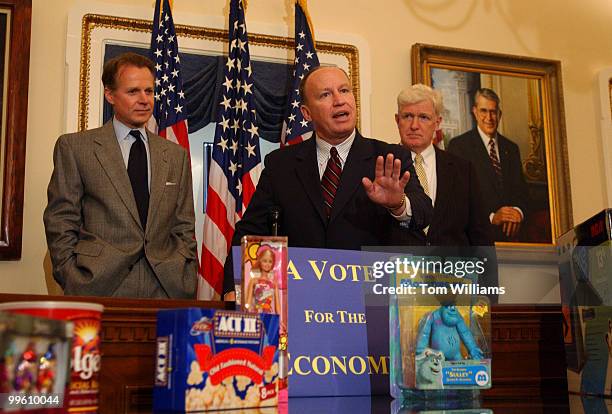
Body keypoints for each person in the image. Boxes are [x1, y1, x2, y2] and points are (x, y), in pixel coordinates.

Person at [223, 66, 433, 298]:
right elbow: (250, 231)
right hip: (302, 303)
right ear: (306, 113)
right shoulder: (281, 165)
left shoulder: (389, 157)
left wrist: (398, 205)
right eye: (325, 95)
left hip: (370, 303)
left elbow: (424, 212)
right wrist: (235, 286)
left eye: (344, 91)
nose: (339, 101)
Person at [43, 52, 197, 298]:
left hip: (167, 288)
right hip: (97, 285)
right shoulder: (75, 148)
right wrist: (71, 275)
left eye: (149, 91)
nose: (144, 100)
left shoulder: (175, 155)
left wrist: (184, 271)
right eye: (133, 91)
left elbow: (184, 224)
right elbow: (61, 220)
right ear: (110, 95)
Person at [392, 84, 492, 246]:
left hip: (452, 270)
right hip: (395, 268)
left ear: (438, 123)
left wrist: (486, 271)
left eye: (424, 117)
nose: (414, 125)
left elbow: (481, 236)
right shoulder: (380, 165)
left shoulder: (463, 170)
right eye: (408, 116)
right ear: (397, 120)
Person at [447, 88, 530, 242]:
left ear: (499, 114)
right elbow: (456, 198)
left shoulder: (511, 149)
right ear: (475, 112)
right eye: (484, 111)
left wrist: (518, 212)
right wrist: (491, 217)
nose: (489, 117)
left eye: (493, 112)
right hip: (476, 240)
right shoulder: (459, 147)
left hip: (512, 238)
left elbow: (522, 192)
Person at [244, 246, 280, 314]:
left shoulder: (273, 283)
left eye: (270, 261)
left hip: (268, 315)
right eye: (264, 261)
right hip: (255, 313)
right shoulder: (254, 281)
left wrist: (279, 319)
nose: (267, 264)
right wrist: (247, 314)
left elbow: (277, 305)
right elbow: (248, 302)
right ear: (260, 261)